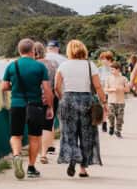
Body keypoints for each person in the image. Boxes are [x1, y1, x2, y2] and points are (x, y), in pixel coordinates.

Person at [1, 38, 53, 179]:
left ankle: (17, 155)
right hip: (35, 106)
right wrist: (49, 106)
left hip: (17, 105)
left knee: (15, 136)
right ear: (33, 51)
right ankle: (31, 167)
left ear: (19, 51)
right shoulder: (40, 67)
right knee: (34, 138)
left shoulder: (12, 66)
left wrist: (15, 88)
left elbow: (4, 87)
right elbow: (47, 89)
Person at [55, 39, 108, 178]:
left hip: (68, 100)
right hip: (87, 101)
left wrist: (63, 98)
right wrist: (104, 102)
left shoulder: (63, 65)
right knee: (87, 135)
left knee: (69, 133)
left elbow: (56, 86)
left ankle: (73, 157)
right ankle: (83, 169)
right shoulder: (90, 65)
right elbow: (97, 86)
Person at [33, 42, 59, 163]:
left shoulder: (33, 64)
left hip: (35, 98)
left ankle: (36, 152)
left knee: (36, 126)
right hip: (52, 97)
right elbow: (58, 82)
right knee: (48, 126)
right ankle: (43, 154)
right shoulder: (54, 63)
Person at [105, 61, 128, 137]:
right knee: (110, 115)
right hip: (111, 101)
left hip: (121, 102)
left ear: (118, 70)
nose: (111, 71)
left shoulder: (123, 78)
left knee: (120, 117)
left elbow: (127, 89)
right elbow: (106, 89)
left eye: (113, 69)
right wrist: (113, 89)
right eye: (111, 69)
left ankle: (118, 130)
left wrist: (122, 88)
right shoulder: (108, 78)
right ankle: (111, 126)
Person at [97, 50, 115, 132]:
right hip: (102, 91)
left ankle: (111, 123)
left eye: (104, 59)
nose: (103, 61)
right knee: (104, 107)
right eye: (102, 59)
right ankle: (104, 123)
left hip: (112, 92)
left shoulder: (113, 68)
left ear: (109, 60)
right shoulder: (99, 69)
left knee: (110, 108)